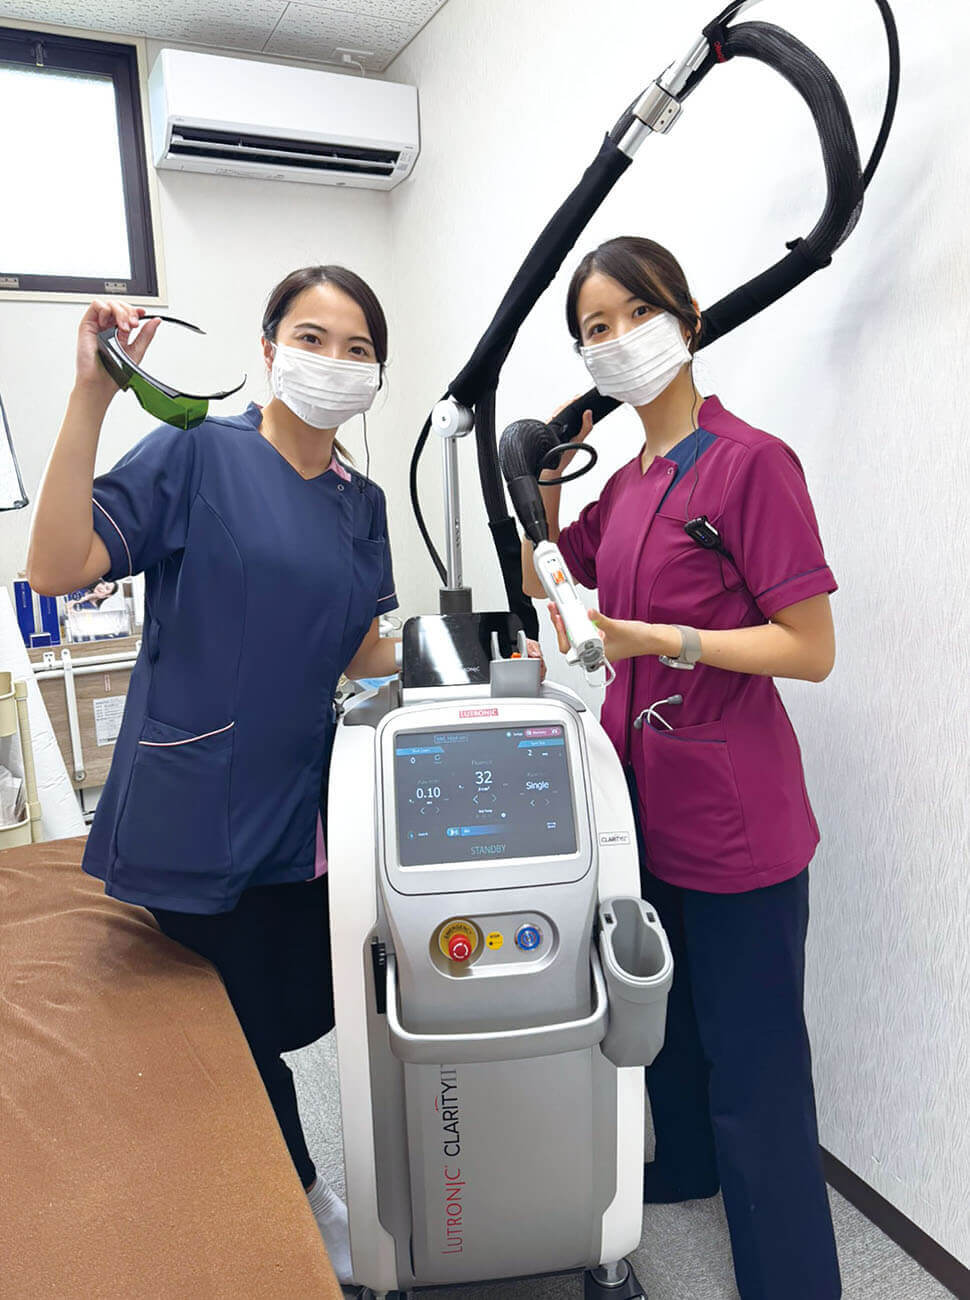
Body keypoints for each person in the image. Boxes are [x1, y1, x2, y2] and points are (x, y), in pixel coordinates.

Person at [26, 265, 400, 1282]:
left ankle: (298, 1193)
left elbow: (358, 644)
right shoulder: (198, 452)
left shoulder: (361, 503)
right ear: (268, 349)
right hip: (196, 807)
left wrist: (450, 654)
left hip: (304, 810)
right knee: (231, 1034)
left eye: (358, 348)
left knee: (308, 1005)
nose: (334, 362)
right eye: (311, 339)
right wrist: (90, 395)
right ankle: (296, 1200)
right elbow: (55, 568)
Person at [522, 235, 842, 1300]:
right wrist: (545, 481)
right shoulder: (630, 482)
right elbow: (554, 581)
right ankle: (691, 1168)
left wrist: (664, 640)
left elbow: (809, 648)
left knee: (757, 1068)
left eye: (636, 314)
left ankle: (795, 1280)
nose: (618, 339)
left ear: (687, 320)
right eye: (595, 328)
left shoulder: (751, 463)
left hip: (738, 818)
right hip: (645, 805)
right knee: (672, 1030)